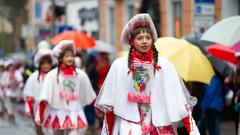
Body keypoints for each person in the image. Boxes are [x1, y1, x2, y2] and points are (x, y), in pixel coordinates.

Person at [95, 13, 200, 135]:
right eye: (140, 38)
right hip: (128, 128)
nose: (144, 41)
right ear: (132, 41)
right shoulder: (119, 65)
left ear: (152, 39)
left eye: (148, 37)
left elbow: (179, 101)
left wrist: (193, 131)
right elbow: (109, 106)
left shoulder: (165, 66)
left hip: (159, 127)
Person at [35, 40, 96, 135]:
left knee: (74, 133)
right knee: (58, 133)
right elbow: (45, 96)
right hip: (58, 111)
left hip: (75, 111)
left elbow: (89, 92)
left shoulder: (80, 74)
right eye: (67, 56)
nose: (70, 58)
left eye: (72, 56)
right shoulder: (52, 75)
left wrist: (98, 108)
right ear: (60, 58)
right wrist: (40, 114)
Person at [23, 49, 55, 135]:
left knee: (51, 130)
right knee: (39, 131)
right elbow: (28, 94)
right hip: (37, 108)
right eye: (43, 63)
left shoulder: (55, 76)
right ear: (39, 65)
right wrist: (29, 109)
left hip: (52, 108)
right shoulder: (34, 77)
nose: (46, 66)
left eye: (48, 63)